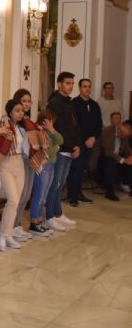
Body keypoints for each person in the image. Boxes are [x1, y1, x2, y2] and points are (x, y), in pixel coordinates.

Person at [46, 72, 80, 231]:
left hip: (69, 149)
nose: (71, 86)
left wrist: (77, 145)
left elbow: (74, 126)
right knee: (55, 183)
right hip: (60, 149)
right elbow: (57, 129)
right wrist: (69, 145)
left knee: (61, 184)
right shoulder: (54, 103)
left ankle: (58, 213)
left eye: (72, 83)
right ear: (59, 84)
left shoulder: (70, 103)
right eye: (68, 83)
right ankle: (50, 217)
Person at [11, 89, 46, 242]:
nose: (26, 104)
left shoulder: (28, 121)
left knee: (26, 195)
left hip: (30, 159)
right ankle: (12, 226)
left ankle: (17, 225)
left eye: (28, 101)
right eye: (23, 101)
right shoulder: (12, 119)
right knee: (19, 194)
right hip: (19, 160)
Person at [0, 100, 27, 251]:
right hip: (6, 163)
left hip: (19, 163)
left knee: (17, 201)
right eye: (17, 110)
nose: (21, 113)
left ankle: (8, 234)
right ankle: (2, 234)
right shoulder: (3, 125)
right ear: (10, 112)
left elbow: (25, 146)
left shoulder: (22, 127)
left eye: (22, 110)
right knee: (12, 200)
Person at [67, 79, 102, 206]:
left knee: (82, 170)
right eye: (85, 86)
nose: (87, 89)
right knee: (75, 169)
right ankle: (72, 196)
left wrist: (93, 138)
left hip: (90, 142)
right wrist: (84, 140)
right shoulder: (74, 103)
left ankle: (79, 193)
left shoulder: (95, 105)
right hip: (79, 143)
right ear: (80, 88)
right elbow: (74, 125)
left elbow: (99, 124)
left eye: (89, 86)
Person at [30, 110, 63, 236]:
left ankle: (39, 220)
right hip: (43, 166)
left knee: (44, 196)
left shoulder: (50, 132)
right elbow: (47, 152)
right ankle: (34, 222)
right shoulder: (39, 132)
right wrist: (56, 148)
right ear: (45, 120)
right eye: (51, 121)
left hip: (51, 165)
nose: (53, 123)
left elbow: (60, 140)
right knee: (39, 195)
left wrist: (53, 130)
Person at [98, 118, 132, 201]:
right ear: (121, 128)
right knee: (111, 162)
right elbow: (108, 152)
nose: (124, 137)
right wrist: (124, 160)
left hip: (116, 157)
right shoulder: (107, 131)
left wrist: (130, 156)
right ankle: (109, 192)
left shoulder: (124, 135)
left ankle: (128, 185)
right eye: (124, 135)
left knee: (129, 161)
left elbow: (126, 149)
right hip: (103, 158)